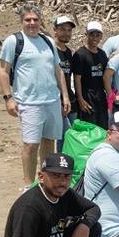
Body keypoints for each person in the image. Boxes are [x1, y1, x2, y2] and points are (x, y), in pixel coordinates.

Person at [0, 5, 71, 186]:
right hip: (29, 103)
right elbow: (3, 71)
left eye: (35, 20)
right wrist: (8, 98)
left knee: (49, 143)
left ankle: (45, 182)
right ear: (22, 21)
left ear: (40, 21)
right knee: (31, 145)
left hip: (52, 101)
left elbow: (58, 70)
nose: (32, 23)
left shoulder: (48, 41)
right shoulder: (14, 41)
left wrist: (65, 96)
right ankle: (29, 186)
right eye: (28, 20)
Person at [72, 21, 109, 128]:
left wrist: (110, 96)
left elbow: (106, 77)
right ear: (86, 34)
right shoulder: (80, 54)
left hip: (100, 96)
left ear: (101, 36)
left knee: (103, 128)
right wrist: (80, 99)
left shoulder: (102, 54)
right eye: (92, 34)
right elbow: (77, 79)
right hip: (87, 96)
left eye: (98, 35)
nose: (95, 38)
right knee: (89, 128)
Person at [52, 16, 77, 151]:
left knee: (72, 135)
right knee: (63, 135)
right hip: (56, 99)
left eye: (69, 30)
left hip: (70, 99)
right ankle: (60, 161)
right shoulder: (51, 51)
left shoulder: (68, 52)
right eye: (62, 29)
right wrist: (60, 101)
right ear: (55, 30)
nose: (66, 33)